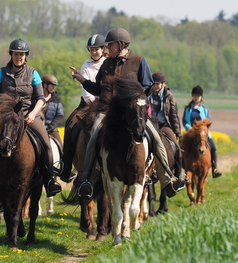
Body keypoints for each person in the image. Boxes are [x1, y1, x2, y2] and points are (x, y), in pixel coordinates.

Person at [70, 27, 184, 199]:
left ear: (121, 45)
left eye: (110, 45)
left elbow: (147, 87)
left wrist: (135, 103)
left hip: (132, 113)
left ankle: (167, 179)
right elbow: (97, 89)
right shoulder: (107, 63)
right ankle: (86, 180)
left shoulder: (139, 61)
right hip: (107, 112)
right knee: (93, 135)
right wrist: (83, 80)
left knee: (156, 136)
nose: (107, 49)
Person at [0, 38, 62, 198]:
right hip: (6, 118)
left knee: (46, 144)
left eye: (21, 54)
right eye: (16, 54)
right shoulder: (1, 73)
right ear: (11, 54)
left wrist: (33, 114)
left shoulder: (33, 73)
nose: (19, 57)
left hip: (28, 115)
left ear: (26, 55)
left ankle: (49, 180)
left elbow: (41, 98)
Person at [58, 34, 106, 183]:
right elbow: (87, 94)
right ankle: (66, 166)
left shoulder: (109, 64)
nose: (94, 52)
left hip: (106, 106)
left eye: (96, 49)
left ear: (103, 49)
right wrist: (95, 104)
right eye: (91, 50)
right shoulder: (86, 67)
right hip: (87, 106)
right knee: (71, 124)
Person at [148, 72, 186, 182]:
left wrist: (177, 132)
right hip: (150, 125)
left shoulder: (168, 95)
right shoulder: (148, 94)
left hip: (163, 124)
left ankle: (178, 175)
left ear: (163, 84)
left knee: (177, 147)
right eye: (154, 84)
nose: (155, 86)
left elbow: (173, 115)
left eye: (158, 84)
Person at [182, 85, 222, 178]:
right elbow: (184, 121)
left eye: (198, 96)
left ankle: (214, 168)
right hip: (191, 133)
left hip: (202, 134)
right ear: (192, 96)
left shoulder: (205, 109)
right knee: (181, 147)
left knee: (213, 148)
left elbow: (208, 121)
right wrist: (189, 128)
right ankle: (181, 168)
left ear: (201, 97)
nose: (196, 98)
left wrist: (203, 129)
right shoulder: (188, 109)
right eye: (195, 96)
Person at [41, 74, 64, 145]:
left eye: (54, 85)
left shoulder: (56, 100)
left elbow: (59, 115)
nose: (54, 87)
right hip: (38, 127)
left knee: (61, 146)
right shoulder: (36, 98)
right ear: (45, 85)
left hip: (51, 129)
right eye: (52, 85)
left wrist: (51, 127)